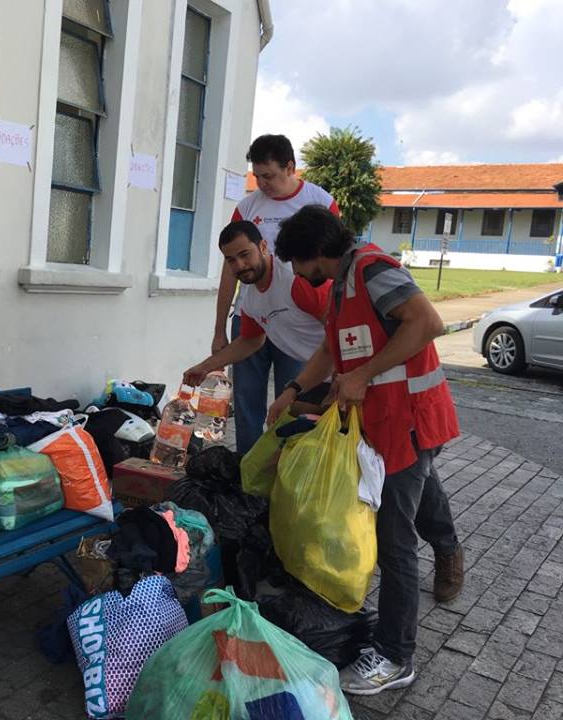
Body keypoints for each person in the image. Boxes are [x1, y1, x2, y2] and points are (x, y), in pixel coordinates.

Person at [267, 205, 464, 696]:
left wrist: (363, 374)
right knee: (420, 489)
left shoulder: (373, 270)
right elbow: (332, 350)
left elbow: (427, 323)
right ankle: (449, 548)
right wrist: (293, 389)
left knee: (394, 537)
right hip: (387, 424)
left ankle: (397, 656)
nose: (296, 273)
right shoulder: (342, 284)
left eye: (296, 262)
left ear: (315, 253)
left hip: (410, 420)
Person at [213, 134, 339, 453]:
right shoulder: (247, 206)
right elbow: (231, 268)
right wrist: (219, 330)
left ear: (290, 167)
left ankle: (285, 472)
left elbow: (335, 264)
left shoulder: (320, 202)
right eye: (257, 177)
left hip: (301, 317)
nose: (263, 184)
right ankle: (248, 473)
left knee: (292, 401)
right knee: (246, 402)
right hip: (252, 315)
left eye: (269, 176)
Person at [183, 221, 329, 406]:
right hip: (319, 375)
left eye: (245, 255)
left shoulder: (295, 279)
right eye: (231, 260)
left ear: (263, 246)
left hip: (345, 371)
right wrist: (204, 367)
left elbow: (340, 325)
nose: (240, 265)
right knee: (287, 426)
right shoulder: (251, 301)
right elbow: (251, 341)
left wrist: (348, 375)